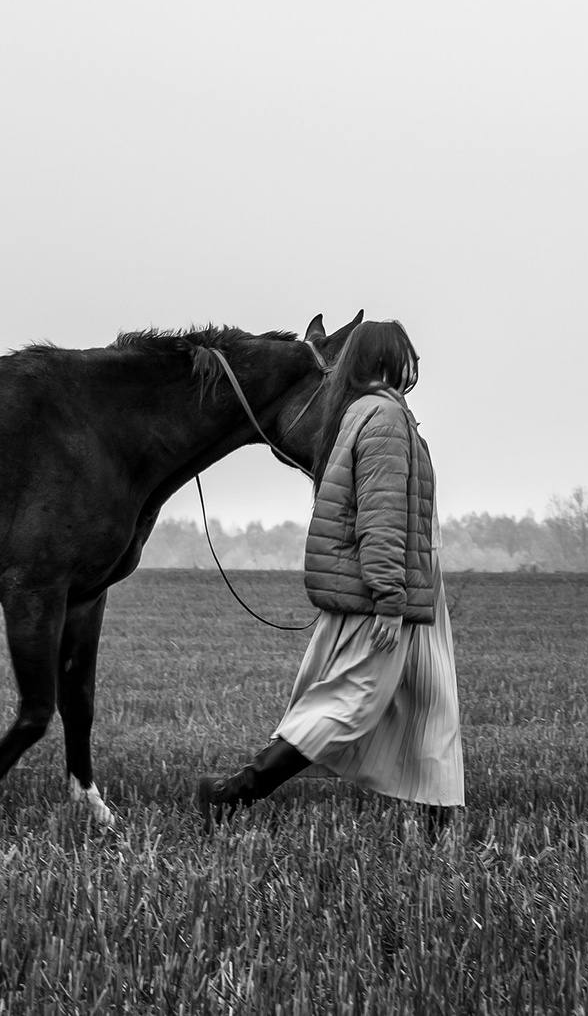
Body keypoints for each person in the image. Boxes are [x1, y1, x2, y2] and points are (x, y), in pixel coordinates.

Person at [195, 319, 463, 826]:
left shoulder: (366, 412)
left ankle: (440, 827)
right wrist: (388, 597)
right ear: (386, 360)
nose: (417, 364)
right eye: (409, 354)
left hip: (410, 584)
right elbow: (381, 518)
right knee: (349, 702)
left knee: (429, 702)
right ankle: (232, 795)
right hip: (391, 588)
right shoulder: (383, 419)